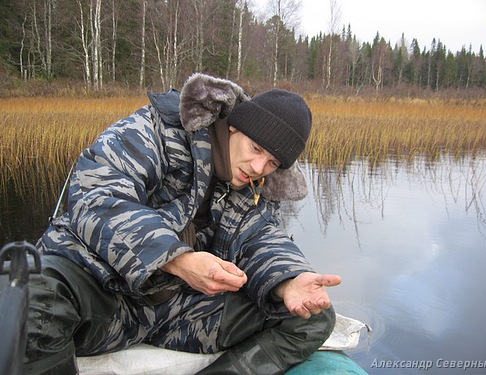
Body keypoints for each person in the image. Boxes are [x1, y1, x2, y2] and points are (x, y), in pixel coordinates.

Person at [21, 73, 342, 374]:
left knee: (313, 319)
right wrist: (178, 260)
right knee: (34, 289)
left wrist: (288, 281)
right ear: (234, 127)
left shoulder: (257, 187)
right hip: (104, 296)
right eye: (255, 148)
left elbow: (260, 240)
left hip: (178, 313)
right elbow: (98, 197)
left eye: (272, 162)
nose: (258, 167)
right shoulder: (155, 130)